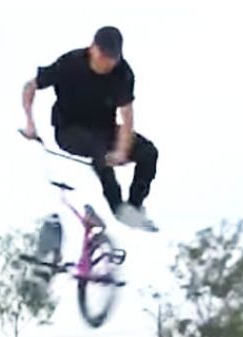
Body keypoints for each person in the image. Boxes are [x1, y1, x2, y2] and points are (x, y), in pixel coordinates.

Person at [21, 26, 159, 232]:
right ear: (92, 48)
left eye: (112, 61)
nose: (106, 66)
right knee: (100, 150)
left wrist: (122, 150)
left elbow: (127, 116)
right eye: (103, 59)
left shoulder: (123, 73)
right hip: (69, 131)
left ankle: (133, 208)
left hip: (104, 129)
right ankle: (117, 209)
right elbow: (30, 86)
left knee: (148, 151)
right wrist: (30, 123)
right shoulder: (70, 63)